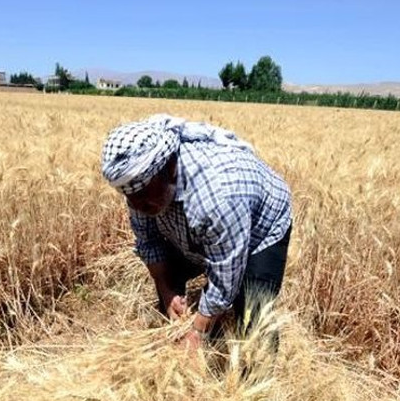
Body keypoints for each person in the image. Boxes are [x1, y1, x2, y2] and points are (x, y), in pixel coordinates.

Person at [101, 114, 292, 350]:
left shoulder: (218, 196)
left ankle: (259, 368)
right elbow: (149, 243)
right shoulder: (142, 188)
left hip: (262, 227)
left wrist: (197, 332)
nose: (137, 205)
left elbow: (225, 273)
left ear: (171, 168)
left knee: (254, 308)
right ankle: (180, 334)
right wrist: (168, 294)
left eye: (144, 195)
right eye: (130, 197)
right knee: (169, 278)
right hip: (210, 223)